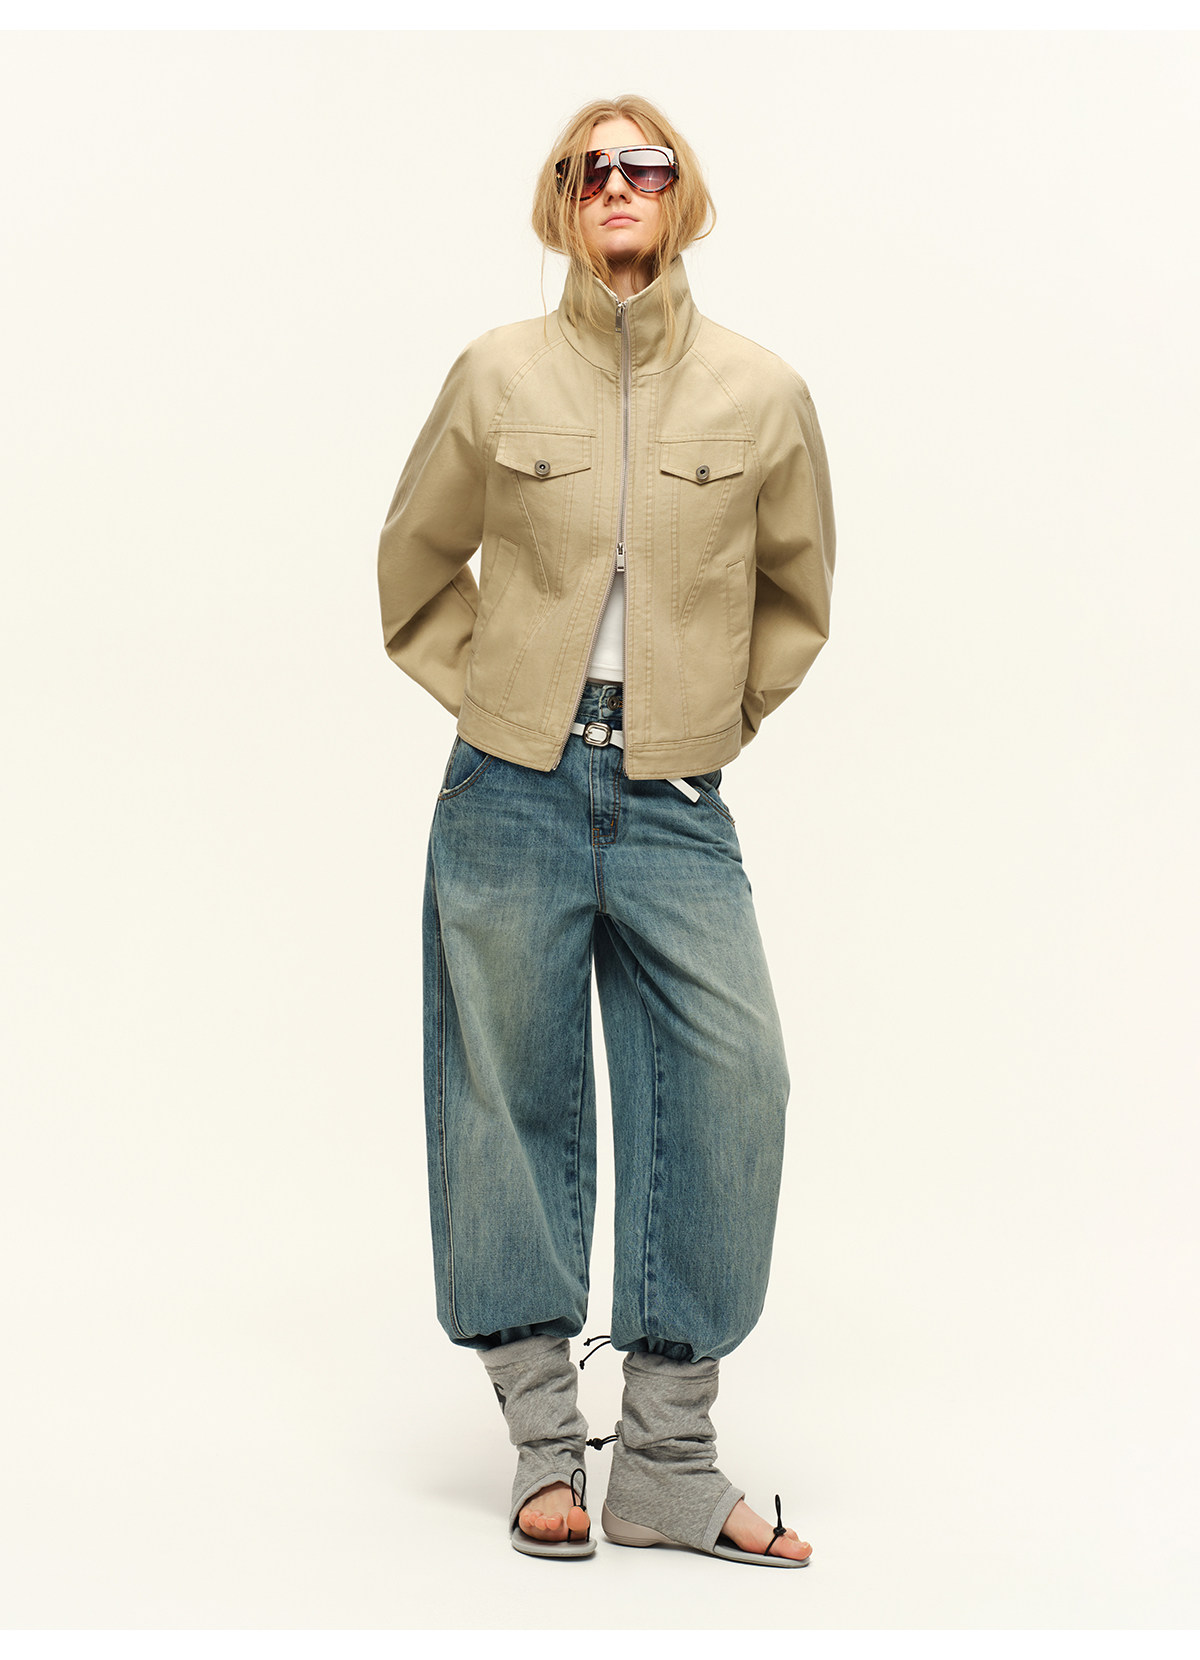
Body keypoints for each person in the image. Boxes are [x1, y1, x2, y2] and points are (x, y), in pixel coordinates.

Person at [376, 94, 834, 1567]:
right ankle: (541, 1443)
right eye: (593, 167)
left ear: (682, 195)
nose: (619, 183)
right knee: (504, 1093)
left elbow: (799, 595)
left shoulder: (762, 391)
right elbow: (412, 566)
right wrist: (504, 701)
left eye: (647, 164)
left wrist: (712, 723)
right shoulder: (496, 374)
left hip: (676, 797)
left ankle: (668, 1462)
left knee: (735, 1080)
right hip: (507, 786)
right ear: (563, 199)